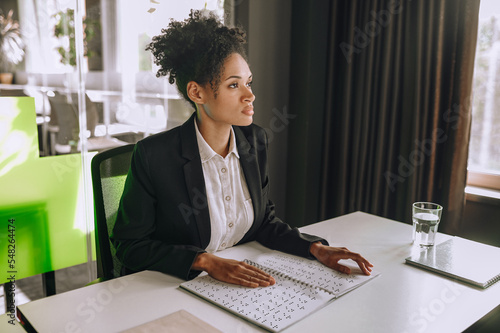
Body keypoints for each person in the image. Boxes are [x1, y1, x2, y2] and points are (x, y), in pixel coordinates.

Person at [111, 10, 373, 288]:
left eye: (248, 82)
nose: (250, 95)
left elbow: (262, 221)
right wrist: (205, 261)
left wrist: (315, 248)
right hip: (171, 288)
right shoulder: (154, 156)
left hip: (238, 285)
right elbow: (130, 245)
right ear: (197, 93)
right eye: (233, 85)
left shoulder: (255, 141)